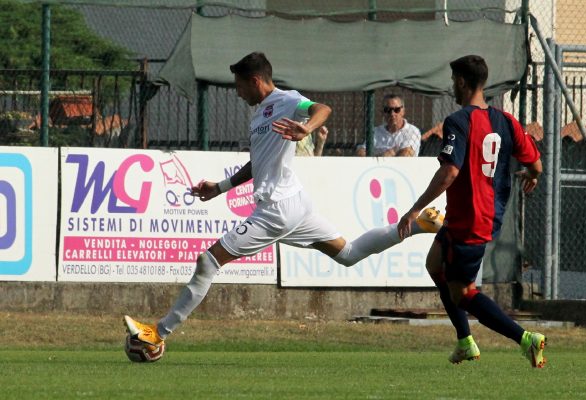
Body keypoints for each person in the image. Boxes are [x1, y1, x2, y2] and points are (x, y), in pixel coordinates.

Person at [124, 52, 443, 347]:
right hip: (294, 205)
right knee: (348, 253)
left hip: (277, 210)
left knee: (209, 261)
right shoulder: (257, 118)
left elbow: (323, 110)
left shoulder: (286, 100)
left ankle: (157, 334)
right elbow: (256, 163)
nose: (237, 93)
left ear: (255, 81)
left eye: (238, 86)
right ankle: (419, 225)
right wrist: (219, 187)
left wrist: (306, 128)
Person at [397, 55, 546, 368]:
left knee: (463, 293)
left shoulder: (458, 121)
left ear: (462, 82)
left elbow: (450, 172)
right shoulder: (506, 122)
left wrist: (414, 209)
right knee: (434, 264)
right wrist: (532, 176)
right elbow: (535, 164)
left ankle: (525, 340)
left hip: (471, 219)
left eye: (454, 80)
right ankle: (465, 341)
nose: (453, 86)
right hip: (480, 215)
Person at [356, 94, 421, 157]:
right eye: (387, 110)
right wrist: (383, 156)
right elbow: (361, 152)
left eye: (396, 110)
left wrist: (377, 158)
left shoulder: (412, 131)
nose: (392, 114)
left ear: (403, 111)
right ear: (383, 112)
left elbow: (406, 154)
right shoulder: (375, 132)